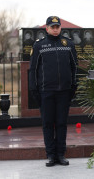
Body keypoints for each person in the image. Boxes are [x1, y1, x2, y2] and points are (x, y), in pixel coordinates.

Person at [29, 16, 78, 167]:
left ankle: (61, 155)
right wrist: (34, 89)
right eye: (53, 27)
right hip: (46, 91)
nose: (55, 29)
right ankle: (51, 155)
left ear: (60, 28)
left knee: (62, 123)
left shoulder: (68, 44)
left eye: (57, 27)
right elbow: (33, 70)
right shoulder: (39, 45)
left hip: (64, 91)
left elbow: (74, 67)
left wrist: (73, 86)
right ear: (47, 28)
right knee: (48, 124)